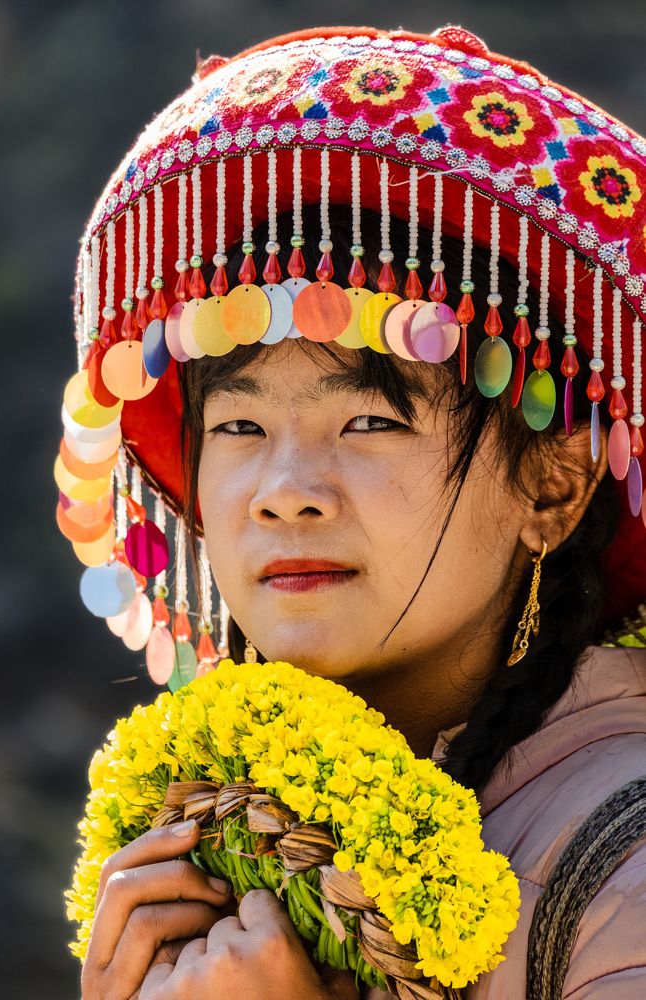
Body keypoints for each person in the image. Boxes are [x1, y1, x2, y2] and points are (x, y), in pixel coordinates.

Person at [57, 24, 646, 1000]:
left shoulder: (620, 871)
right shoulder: (202, 860)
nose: (284, 490)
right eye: (240, 424)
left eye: (369, 418)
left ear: (553, 484)